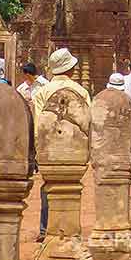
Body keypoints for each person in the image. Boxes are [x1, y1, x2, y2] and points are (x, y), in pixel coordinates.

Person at [32, 48, 91, 242]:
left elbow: (38, 123)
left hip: (48, 146)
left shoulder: (42, 92)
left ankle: (45, 228)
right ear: (71, 68)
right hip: (74, 148)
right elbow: (87, 122)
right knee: (72, 188)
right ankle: (69, 227)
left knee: (48, 186)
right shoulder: (81, 91)